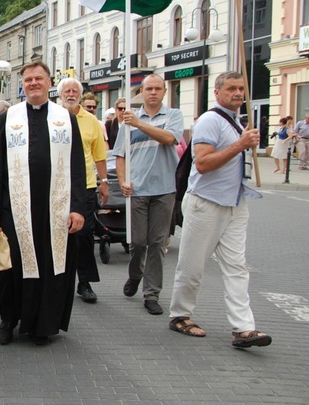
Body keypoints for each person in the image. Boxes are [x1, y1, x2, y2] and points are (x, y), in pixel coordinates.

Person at [168, 72, 272, 348]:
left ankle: (243, 327)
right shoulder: (210, 120)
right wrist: (241, 145)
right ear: (217, 93)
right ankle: (180, 315)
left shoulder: (238, 122)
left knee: (237, 266)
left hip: (235, 203)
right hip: (206, 202)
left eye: (241, 88)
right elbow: (202, 163)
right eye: (231, 89)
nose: (238, 93)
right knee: (193, 264)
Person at [0, 61, 87, 346]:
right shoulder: (9, 117)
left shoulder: (65, 118)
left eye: (38, 78)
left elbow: (77, 165)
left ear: (48, 82)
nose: (33, 83)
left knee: (49, 264)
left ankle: (43, 325)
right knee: (12, 266)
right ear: (22, 84)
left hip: (54, 208)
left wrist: (78, 207)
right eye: (28, 79)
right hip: (15, 207)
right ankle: (9, 319)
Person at [114, 74, 184, 316]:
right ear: (141, 92)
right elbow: (121, 156)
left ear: (165, 92)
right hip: (138, 189)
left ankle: (151, 293)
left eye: (157, 89)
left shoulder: (173, 116)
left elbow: (169, 138)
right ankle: (135, 275)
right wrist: (123, 180)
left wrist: (139, 124)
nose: (153, 92)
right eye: (148, 89)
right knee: (138, 241)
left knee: (157, 244)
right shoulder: (127, 122)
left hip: (164, 189)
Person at [58, 78, 109, 304]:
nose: (71, 94)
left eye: (74, 91)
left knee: (85, 234)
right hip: (57, 186)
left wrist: (104, 181)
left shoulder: (91, 122)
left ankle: (85, 282)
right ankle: (58, 281)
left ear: (80, 94)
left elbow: (99, 155)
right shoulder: (54, 118)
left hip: (85, 185)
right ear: (60, 95)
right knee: (58, 234)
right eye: (67, 91)